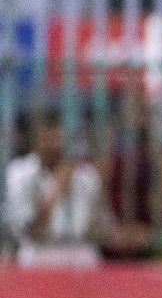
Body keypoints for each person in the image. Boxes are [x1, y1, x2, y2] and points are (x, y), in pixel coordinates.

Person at [4, 109, 110, 268]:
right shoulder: (19, 172)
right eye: (49, 133)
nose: (55, 140)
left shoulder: (87, 175)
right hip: (37, 252)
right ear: (37, 137)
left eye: (59, 133)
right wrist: (55, 191)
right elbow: (26, 230)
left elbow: (100, 230)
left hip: (78, 253)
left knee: (90, 258)